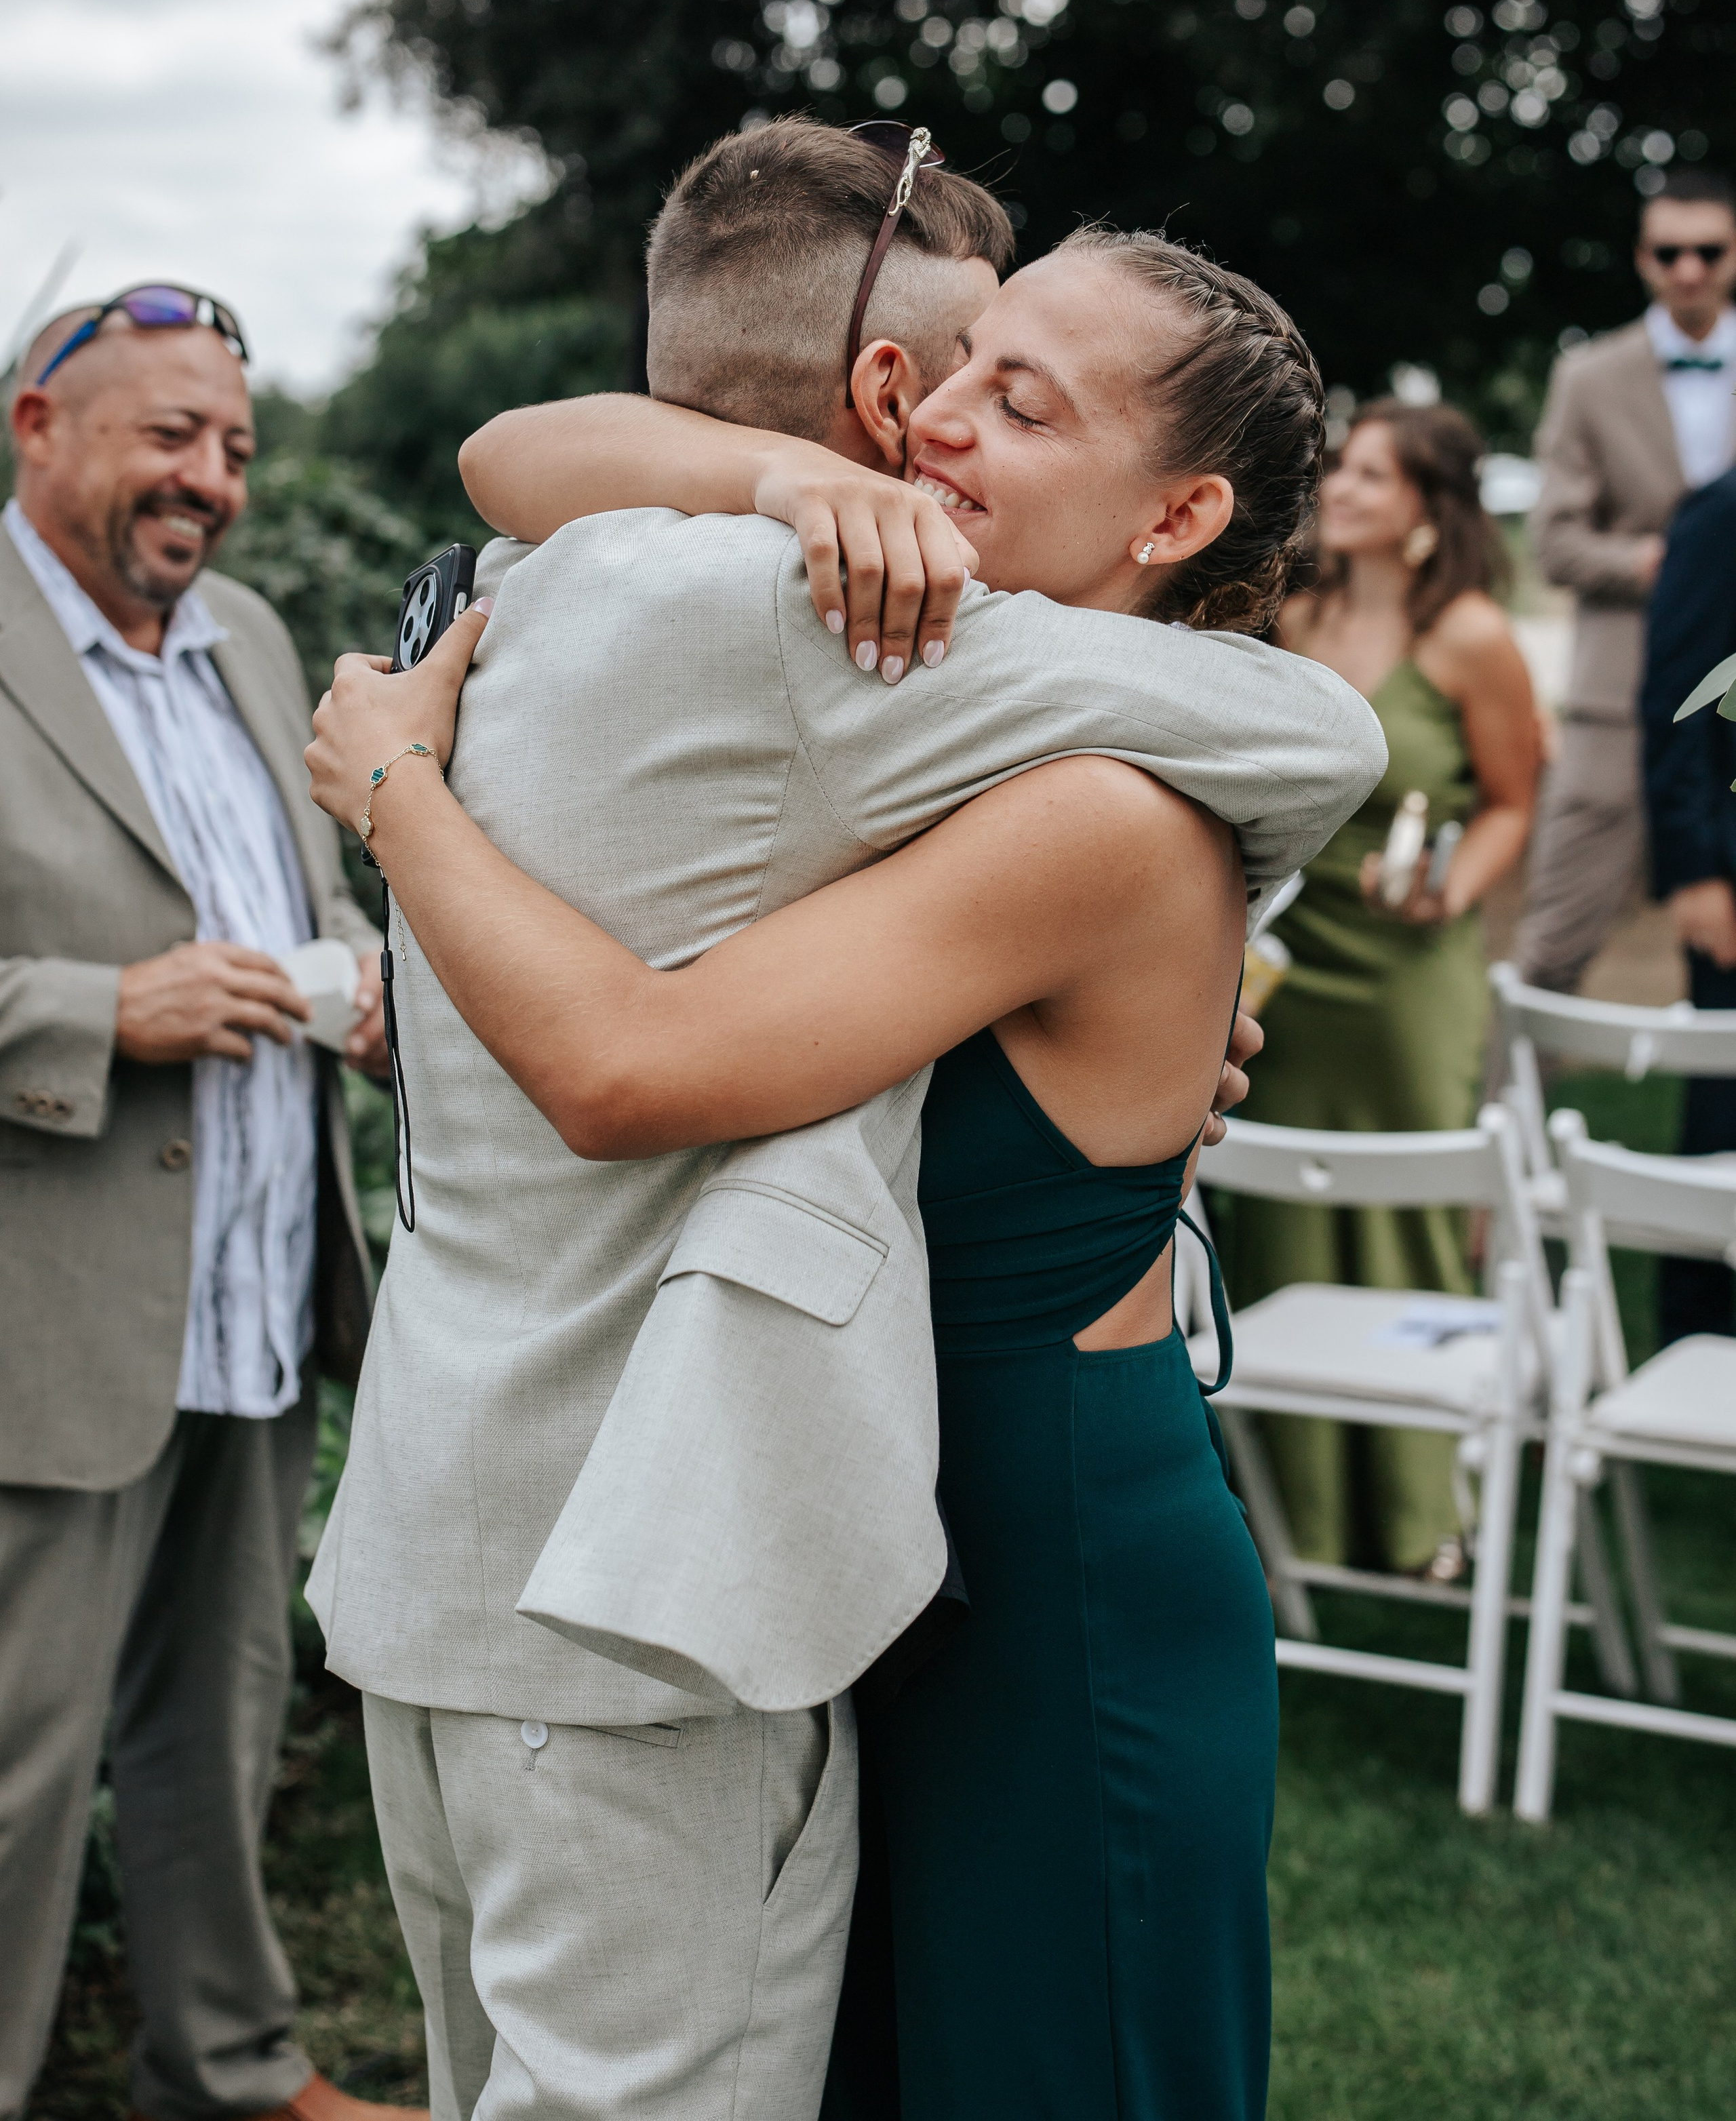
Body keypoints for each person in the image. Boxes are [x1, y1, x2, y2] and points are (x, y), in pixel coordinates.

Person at [304, 121, 1385, 2121]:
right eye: (953, 370)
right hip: (859, 1537)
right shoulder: (903, 700)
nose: (932, 420)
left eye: (1017, 398)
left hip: (1043, 1553)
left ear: (1178, 514)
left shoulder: (1074, 779)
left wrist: (397, 789)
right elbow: (522, 452)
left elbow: (632, 1055)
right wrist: (773, 472)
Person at [0, 290, 404, 2121]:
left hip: (251, 1289)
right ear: (38, 424)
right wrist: (100, 1009)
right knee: (16, 1765)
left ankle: (228, 2071)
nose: (212, 479)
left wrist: (361, 977)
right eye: (170, 434)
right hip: (47, 1318)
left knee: (215, 1727)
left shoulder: (244, 632)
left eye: (234, 445)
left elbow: (292, 897)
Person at [1213, 401, 1538, 1579]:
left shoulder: (1472, 637)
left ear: (1426, 510)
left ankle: (1417, 1517)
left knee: (1410, 1222)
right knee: (1284, 1219)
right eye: (1339, 469)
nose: (1340, 488)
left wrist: (1453, 894)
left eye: (1371, 475)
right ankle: (1297, 1517)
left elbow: (1512, 800)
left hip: (1407, 973)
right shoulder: (1289, 614)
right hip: (1288, 959)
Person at [1516, 167, 1736, 991]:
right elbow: (1553, 542)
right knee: (1552, 947)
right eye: (1669, 253)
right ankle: (1517, 1081)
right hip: (1617, 699)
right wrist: (1662, 565)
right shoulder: (1589, 376)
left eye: (1708, 251)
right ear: (1643, 259)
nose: (1689, 270)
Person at [1640, 466, 1736, 1343]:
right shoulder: (1722, 511)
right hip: (1729, 874)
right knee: (1724, 1121)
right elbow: (1678, 694)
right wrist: (1694, 868)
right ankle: (1697, 1333)